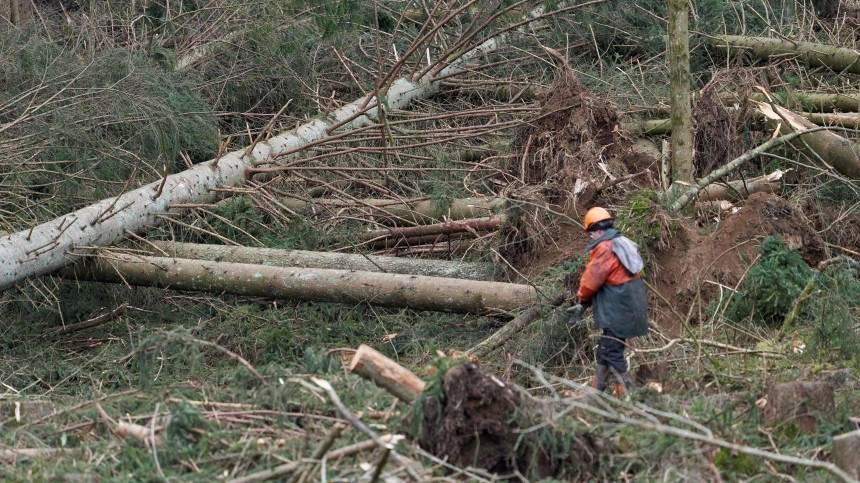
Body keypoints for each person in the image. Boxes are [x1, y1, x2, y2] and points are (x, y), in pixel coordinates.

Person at [567, 207, 649, 395]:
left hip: (618, 308)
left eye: (590, 233)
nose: (591, 237)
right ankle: (595, 395)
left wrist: (581, 300)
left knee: (612, 351)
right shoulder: (623, 243)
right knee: (606, 350)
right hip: (631, 305)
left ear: (596, 230)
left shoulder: (604, 247)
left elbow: (591, 279)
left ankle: (629, 394)